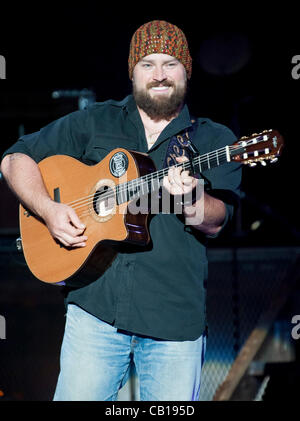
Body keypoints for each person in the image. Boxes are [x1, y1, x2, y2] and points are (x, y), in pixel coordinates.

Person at [1, 20, 242, 401]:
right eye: (147, 64)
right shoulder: (96, 121)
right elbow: (15, 159)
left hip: (173, 322)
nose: (159, 75)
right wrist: (48, 210)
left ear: (187, 71)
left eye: (170, 64)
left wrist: (192, 199)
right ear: (132, 71)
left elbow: (216, 222)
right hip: (94, 314)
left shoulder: (214, 139)